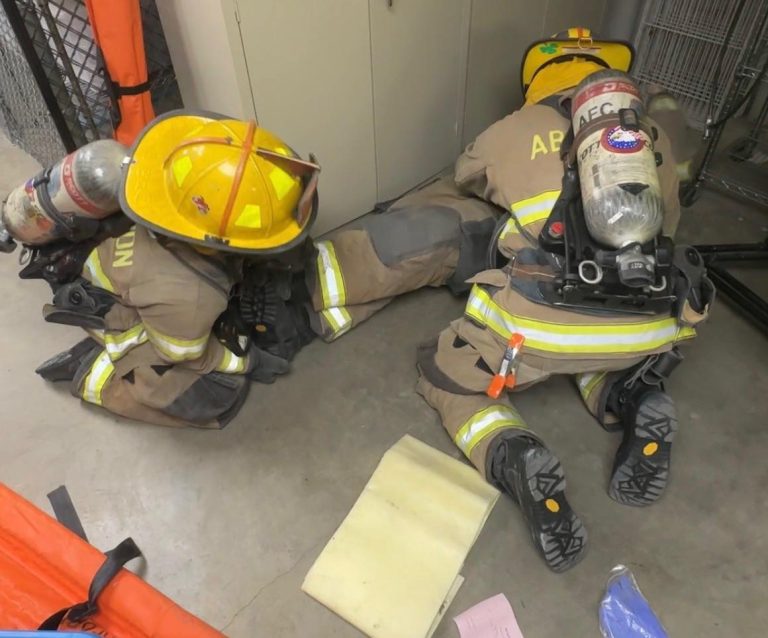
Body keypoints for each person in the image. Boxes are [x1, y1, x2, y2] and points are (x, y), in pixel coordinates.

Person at [305, 29, 713, 572]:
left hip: (545, 325)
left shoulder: (515, 128)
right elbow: (669, 224)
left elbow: (464, 176)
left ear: (538, 86)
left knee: (446, 372)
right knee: (599, 345)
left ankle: (514, 452)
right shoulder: (650, 137)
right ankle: (636, 399)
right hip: (650, 322)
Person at [29, 112, 322, 427]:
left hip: (122, 273)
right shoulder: (191, 296)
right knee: (218, 393)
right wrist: (247, 360)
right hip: (115, 308)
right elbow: (182, 354)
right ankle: (94, 371)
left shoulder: (164, 181)